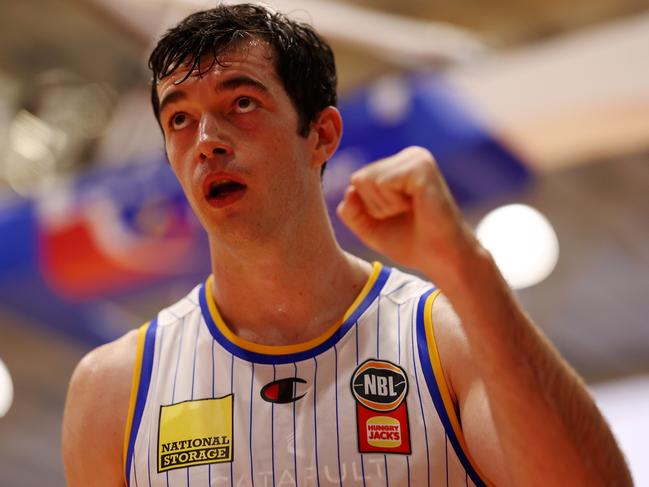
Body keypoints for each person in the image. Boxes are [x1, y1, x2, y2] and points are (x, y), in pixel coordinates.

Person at [62, 4, 632, 486]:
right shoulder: (112, 388)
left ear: (322, 134)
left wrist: (467, 267)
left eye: (241, 104)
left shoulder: (447, 340)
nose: (207, 141)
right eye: (180, 119)